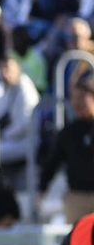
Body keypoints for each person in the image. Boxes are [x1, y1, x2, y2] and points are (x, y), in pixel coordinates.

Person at [41, 74, 94, 224]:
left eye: (82, 97)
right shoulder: (68, 133)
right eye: (74, 98)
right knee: (78, 236)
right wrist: (42, 187)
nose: (78, 103)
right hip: (77, 197)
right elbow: (53, 161)